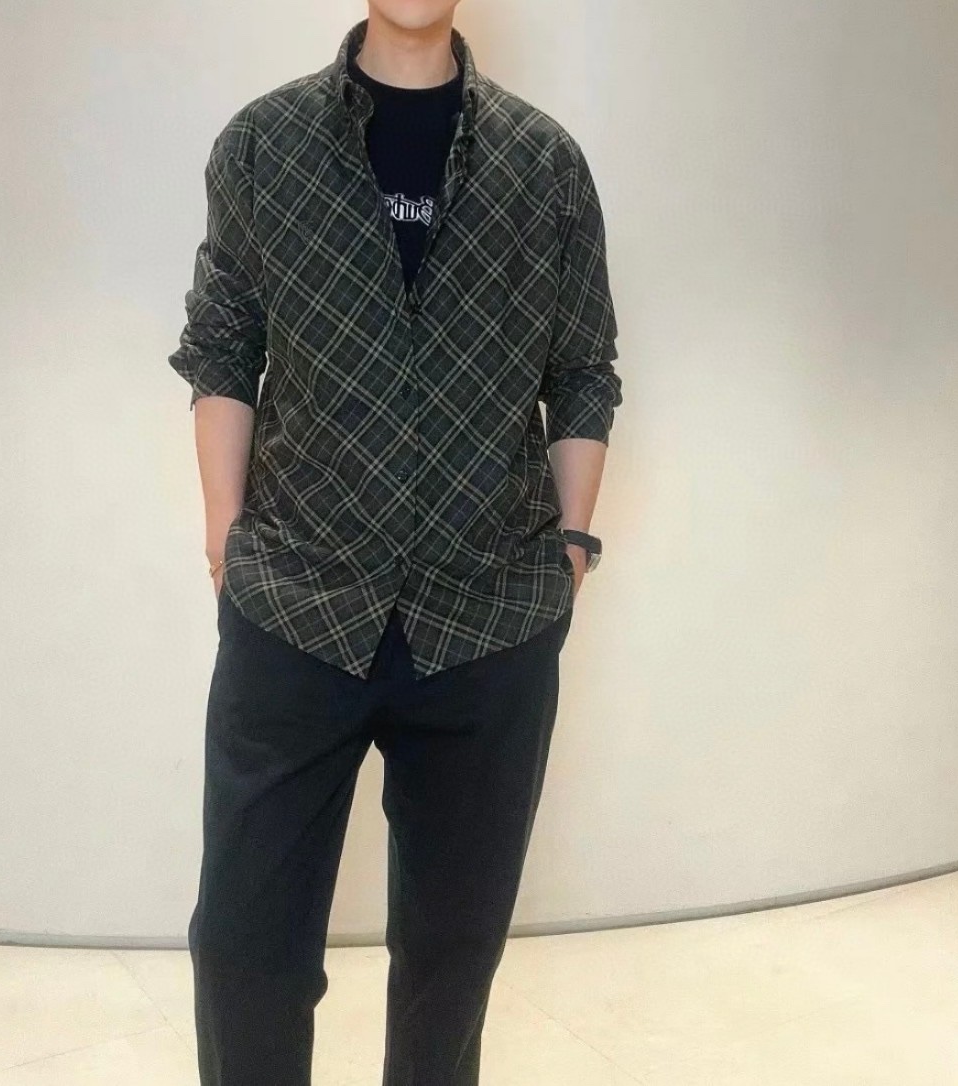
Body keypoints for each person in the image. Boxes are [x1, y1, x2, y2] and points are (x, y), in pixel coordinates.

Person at [167, 2, 621, 1082]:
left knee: (450, 964)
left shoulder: (546, 164)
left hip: (490, 615)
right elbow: (224, 348)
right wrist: (228, 541)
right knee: (243, 950)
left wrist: (569, 549)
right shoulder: (264, 145)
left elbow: (583, 372)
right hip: (296, 603)